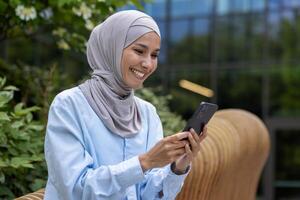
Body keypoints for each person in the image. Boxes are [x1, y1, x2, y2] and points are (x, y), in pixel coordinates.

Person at [44, 10, 207, 200]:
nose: (148, 64)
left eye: (154, 55)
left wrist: (178, 166)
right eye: (139, 51)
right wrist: (144, 162)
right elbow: (75, 190)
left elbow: (149, 196)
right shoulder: (68, 105)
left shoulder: (147, 113)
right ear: (112, 47)